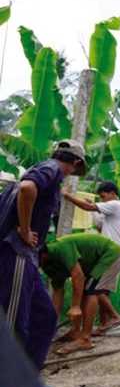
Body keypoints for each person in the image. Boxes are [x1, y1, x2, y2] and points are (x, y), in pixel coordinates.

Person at [0, 139, 87, 371]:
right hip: (16, 253)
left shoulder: (44, 171)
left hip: (27, 259)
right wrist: (25, 229)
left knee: (45, 318)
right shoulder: (51, 169)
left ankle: (26, 378)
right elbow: (27, 188)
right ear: (75, 163)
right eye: (76, 170)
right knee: (14, 325)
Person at [40, 233, 120, 354]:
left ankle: (85, 338)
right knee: (86, 290)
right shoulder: (47, 265)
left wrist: (75, 306)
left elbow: (78, 275)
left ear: (43, 255)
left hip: (110, 254)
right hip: (95, 262)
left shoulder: (59, 248)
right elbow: (58, 290)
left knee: (91, 291)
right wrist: (54, 319)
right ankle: (75, 331)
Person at [61, 180, 120, 333]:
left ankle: (115, 316)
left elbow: (87, 206)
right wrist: (93, 211)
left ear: (112, 193)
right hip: (113, 251)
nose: (102, 201)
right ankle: (103, 325)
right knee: (104, 289)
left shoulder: (116, 205)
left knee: (95, 289)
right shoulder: (113, 212)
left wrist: (67, 196)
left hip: (110, 253)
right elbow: (100, 226)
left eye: (103, 197)